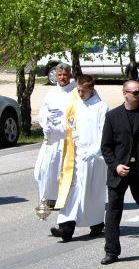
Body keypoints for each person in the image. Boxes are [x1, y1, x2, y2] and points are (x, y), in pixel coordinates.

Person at [100, 80, 139, 264]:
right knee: (113, 211)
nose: (138, 95)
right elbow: (105, 148)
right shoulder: (113, 116)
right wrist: (116, 166)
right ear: (125, 94)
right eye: (134, 92)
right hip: (119, 172)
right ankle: (112, 251)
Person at [49, 75, 108, 242]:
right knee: (72, 191)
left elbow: (104, 132)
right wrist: (54, 125)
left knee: (90, 193)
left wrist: (95, 151)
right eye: (79, 90)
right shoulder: (75, 105)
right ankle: (65, 227)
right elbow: (68, 126)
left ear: (91, 89)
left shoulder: (101, 107)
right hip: (74, 156)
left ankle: (96, 223)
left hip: (93, 158)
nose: (80, 94)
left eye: (84, 91)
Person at [35, 63, 75, 210]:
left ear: (70, 75)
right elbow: (43, 112)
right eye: (59, 75)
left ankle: (65, 197)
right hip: (53, 138)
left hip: (68, 137)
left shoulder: (76, 91)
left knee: (65, 168)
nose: (62, 78)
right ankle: (50, 197)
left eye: (65, 75)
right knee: (47, 168)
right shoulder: (51, 93)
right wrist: (47, 122)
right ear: (56, 76)